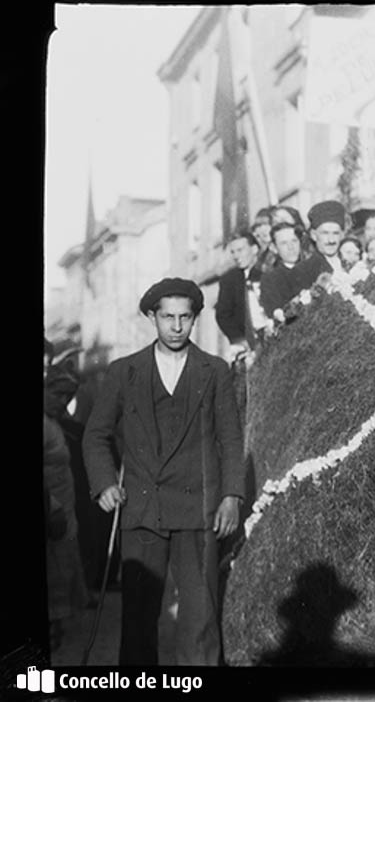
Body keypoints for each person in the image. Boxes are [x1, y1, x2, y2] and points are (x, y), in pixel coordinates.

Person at [82, 278, 245, 666]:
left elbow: (231, 439)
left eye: (185, 318)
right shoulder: (125, 372)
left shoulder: (215, 370)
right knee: (138, 619)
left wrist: (231, 496)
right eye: (167, 317)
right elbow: (96, 435)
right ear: (152, 318)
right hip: (142, 512)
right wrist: (105, 482)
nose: (176, 326)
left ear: (195, 320)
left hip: (198, 512)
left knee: (200, 618)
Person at [43, 338, 89, 651]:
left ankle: (56, 629)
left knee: (61, 569)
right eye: (58, 395)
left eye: (67, 397)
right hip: (50, 510)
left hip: (63, 509)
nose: (63, 401)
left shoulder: (55, 423)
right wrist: (52, 506)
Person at [214, 230, 265, 354]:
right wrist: (238, 339)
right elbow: (223, 315)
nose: (236, 256)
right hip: (245, 344)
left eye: (240, 250)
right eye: (233, 252)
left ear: (254, 249)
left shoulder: (268, 273)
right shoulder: (229, 280)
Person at [291, 199, 348, 290]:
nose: (331, 240)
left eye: (335, 233)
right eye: (325, 233)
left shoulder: (350, 262)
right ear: (313, 235)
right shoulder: (304, 270)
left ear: (342, 235)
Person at [259, 222, 305, 318]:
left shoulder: (312, 269)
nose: (291, 247)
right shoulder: (270, 280)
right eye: (284, 243)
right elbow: (275, 312)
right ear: (274, 248)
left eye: (294, 241)